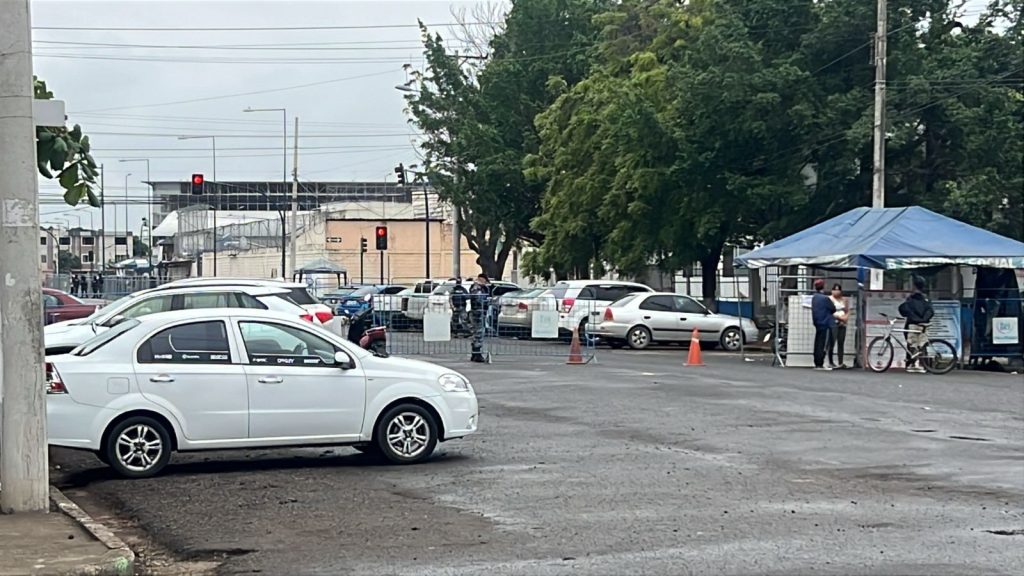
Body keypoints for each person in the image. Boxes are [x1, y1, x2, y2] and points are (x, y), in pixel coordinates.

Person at [898, 275, 934, 374]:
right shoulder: (926, 299)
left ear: (914, 286)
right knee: (922, 344)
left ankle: (911, 363)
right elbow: (930, 311)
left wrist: (914, 318)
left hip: (912, 324)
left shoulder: (910, 299)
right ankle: (923, 364)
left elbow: (904, 310)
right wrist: (924, 319)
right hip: (923, 324)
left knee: (912, 343)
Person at [811, 278, 836, 371]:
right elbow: (833, 308)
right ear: (823, 286)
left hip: (817, 322)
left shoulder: (814, 297)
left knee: (817, 342)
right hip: (825, 322)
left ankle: (817, 362)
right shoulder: (825, 298)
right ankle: (820, 363)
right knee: (823, 343)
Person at [468, 273, 491, 363]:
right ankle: (476, 354)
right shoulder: (476, 287)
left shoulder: (479, 287)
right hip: (477, 312)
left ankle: (475, 353)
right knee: (478, 333)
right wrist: (486, 299)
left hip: (479, 312)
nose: (485, 283)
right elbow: (478, 298)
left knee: (478, 333)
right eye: (485, 281)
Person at [827, 283, 849, 369]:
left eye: (838, 289)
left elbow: (847, 311)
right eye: (835, 289)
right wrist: (839, 318)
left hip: (843, 323)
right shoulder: (829, 299)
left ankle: (841, 362)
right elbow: (829, 312)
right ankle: (830, 361)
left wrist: (844, 319)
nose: (836, 291)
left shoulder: (844, 299)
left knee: (841, 342)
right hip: (834, 322)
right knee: (831, 342)